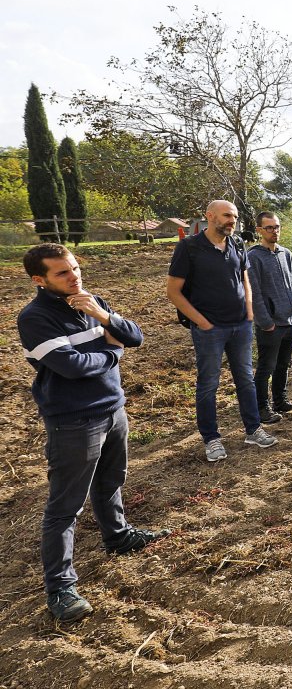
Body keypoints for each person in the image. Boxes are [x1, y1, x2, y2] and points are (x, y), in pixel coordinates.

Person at [18, 244, 170, 622]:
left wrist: (102, 315)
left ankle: (117, 537)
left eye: (74, 268)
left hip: (112, 409)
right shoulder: (35, 317)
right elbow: (71, 367)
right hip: (74, 420)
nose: (75, 276)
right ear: (39, 280)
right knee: (64, 508)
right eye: (63, 273)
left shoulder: (89, 301)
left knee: (111, 482)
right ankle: (61, 588)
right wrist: (112, 352)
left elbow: (135, 336)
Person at [168, 200, 277, 462]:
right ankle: (212, 439)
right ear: (210, 216)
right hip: (210, 330)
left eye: (235, 217)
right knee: (209, 384)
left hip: (240, 325)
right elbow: (173, 291)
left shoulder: (237, 244)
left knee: (245, 379)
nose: (232, 220)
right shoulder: (189, 247)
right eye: (227, 215)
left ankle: (253, 429)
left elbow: (244, 279)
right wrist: (202, 322)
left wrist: (249, 310)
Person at [247, 212, 292, 422]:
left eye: (277, 227)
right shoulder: (253, 257)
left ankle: (280, 401)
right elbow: (254, 293)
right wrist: (266, 322)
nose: (274, 231)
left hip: (290, 321)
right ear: (259, 230)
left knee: (283, 365)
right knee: (266, 367)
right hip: (270, 325)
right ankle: (261, 409)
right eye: (269, 228)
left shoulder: (285, 253)